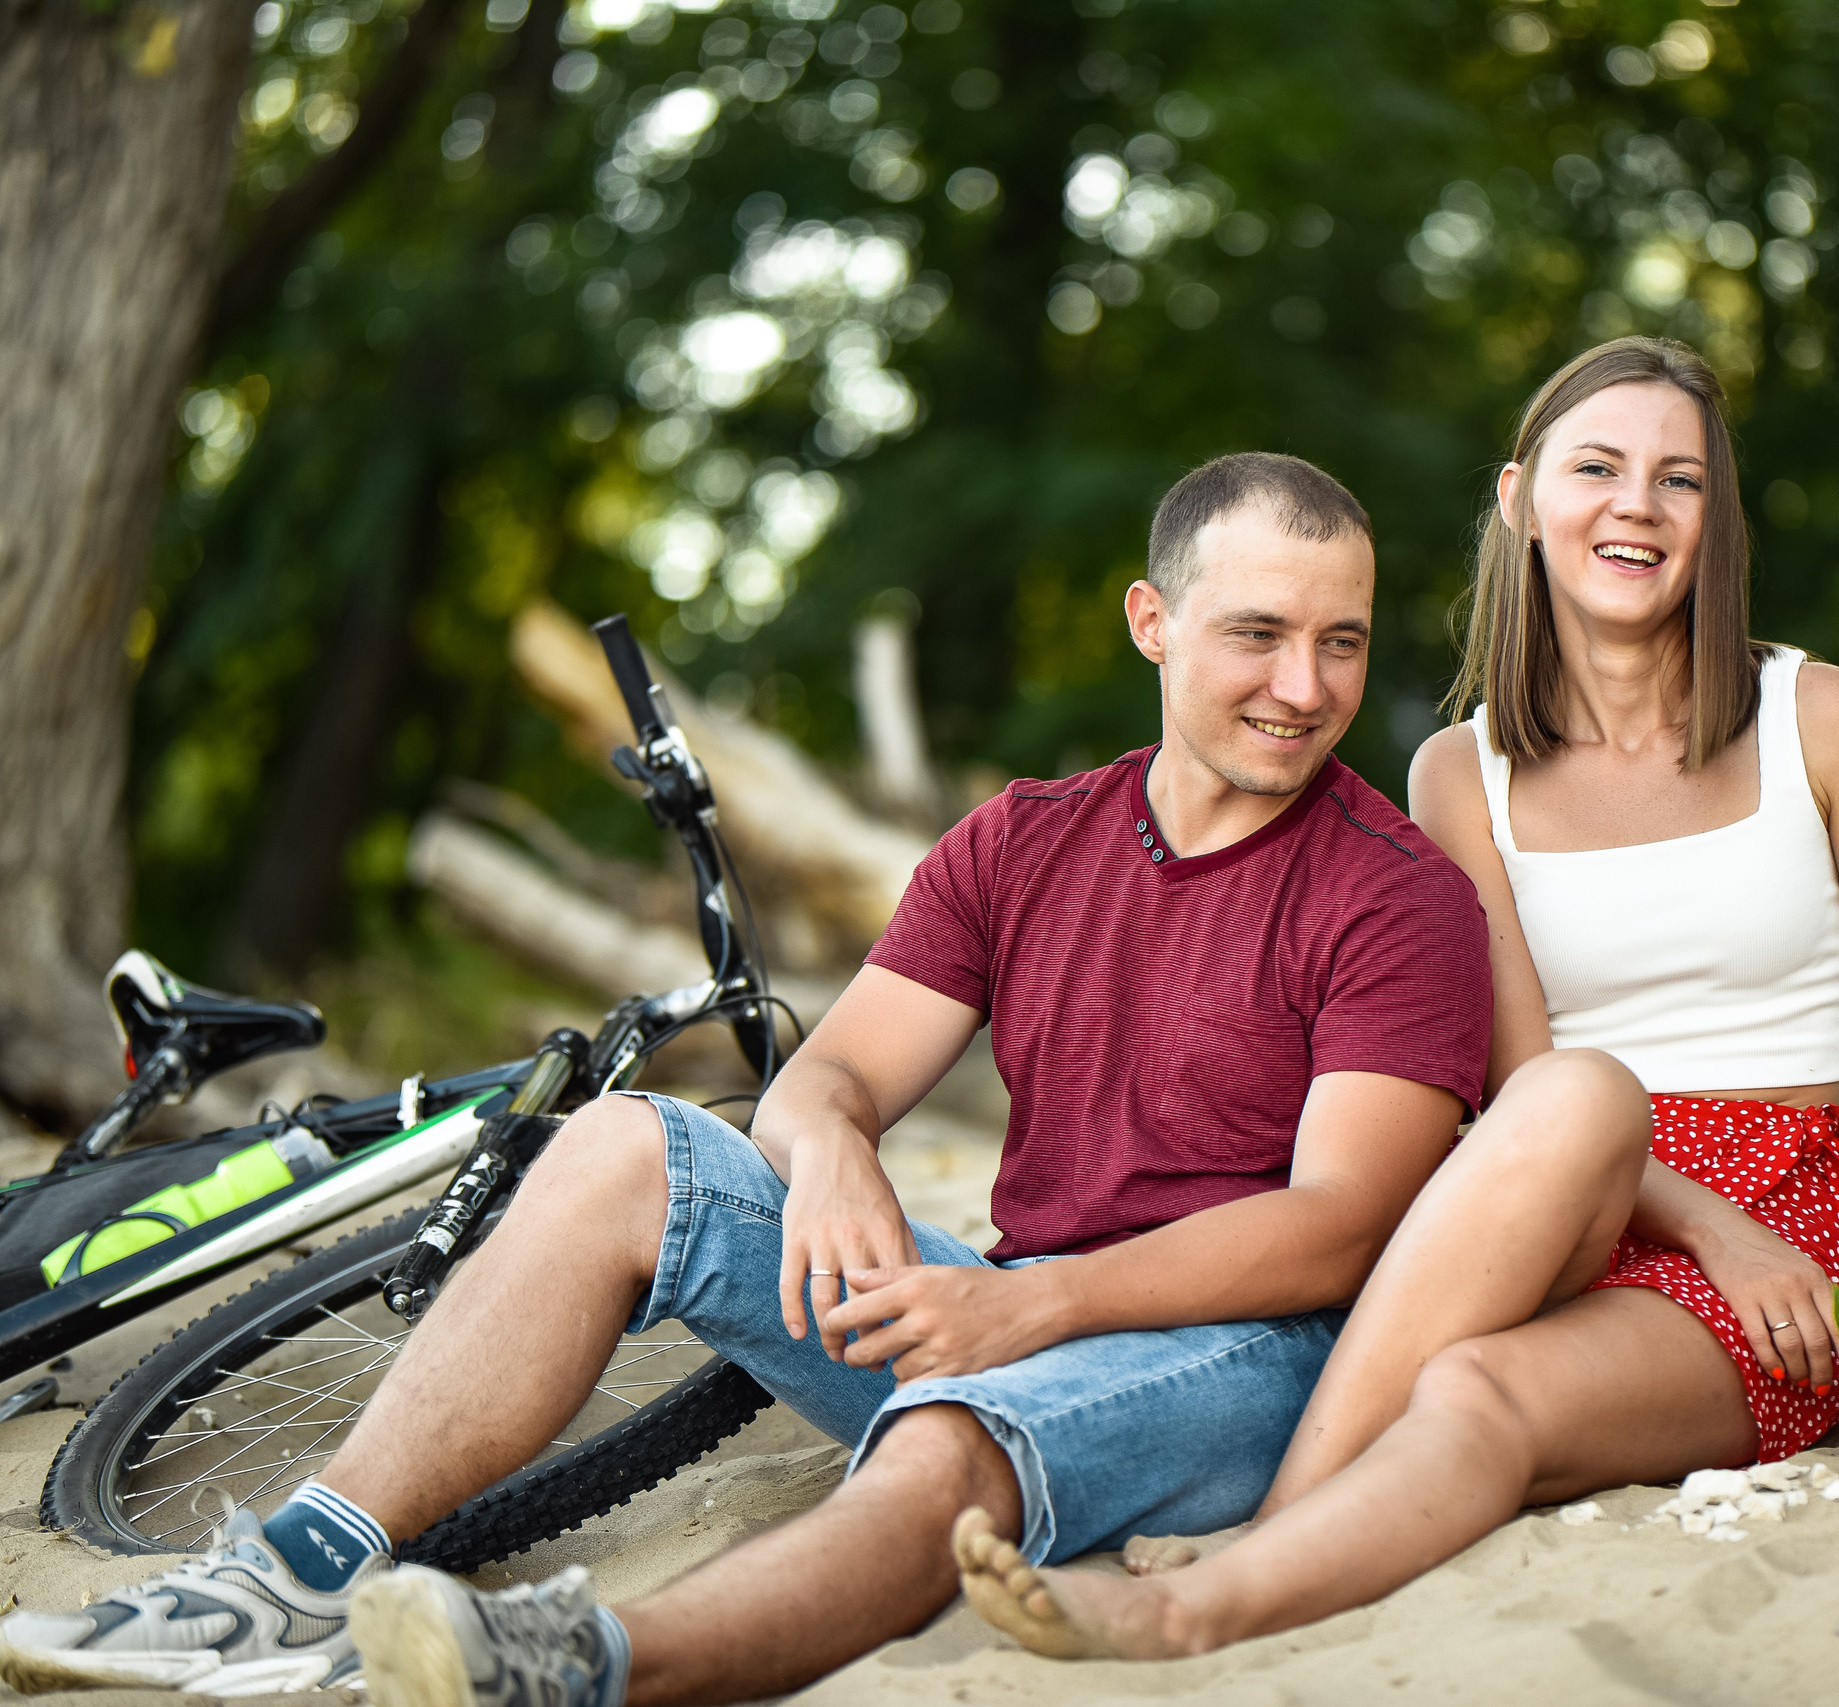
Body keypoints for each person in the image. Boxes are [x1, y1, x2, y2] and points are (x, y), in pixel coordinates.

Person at [1, 452, 1517, 1707]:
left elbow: (1338, 1228)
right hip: (1005, 1306)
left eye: (1342, 641)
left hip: (1244, 1357)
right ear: (1152, 623)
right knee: (623, 1145)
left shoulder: (1397, 898)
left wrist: (1032, 1308)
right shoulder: (1025, 838)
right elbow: (830, 1072)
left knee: (949, 1436)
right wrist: (839, 1148)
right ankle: (300, 1572)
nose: (1302, 685)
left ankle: (576, 1666)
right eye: (1258, 633)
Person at [950, 334, 1839, 1660]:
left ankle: (1216, 1587)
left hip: (1786, 1222)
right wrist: (1698, 1221)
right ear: (1518, 498)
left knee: (1478, 1388)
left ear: (1715, 516)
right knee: (1556, 1111)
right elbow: (1525, 1087)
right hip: (1549, 1196)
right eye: (1596, 467)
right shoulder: (1455, 774)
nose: (1637, 505)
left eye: (1679, 479)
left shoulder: (1816, 714)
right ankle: (1241, 1526)